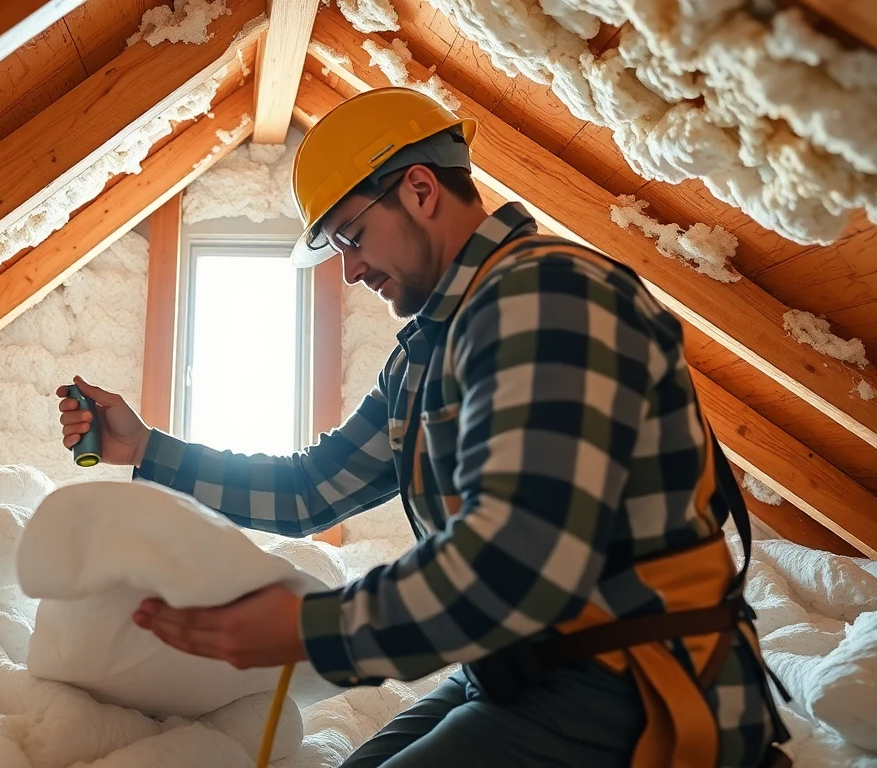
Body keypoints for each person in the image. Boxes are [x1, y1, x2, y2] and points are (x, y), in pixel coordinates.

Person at [54, 87, 791, 768]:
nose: (348, 272)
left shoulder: (549, 296)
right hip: (509, 668)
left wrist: (310, 628)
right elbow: (314, 488)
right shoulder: (433, 347)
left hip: (628, 682)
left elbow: (514, 564)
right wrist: (142, 447)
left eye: (351, 237)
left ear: (419, 188)